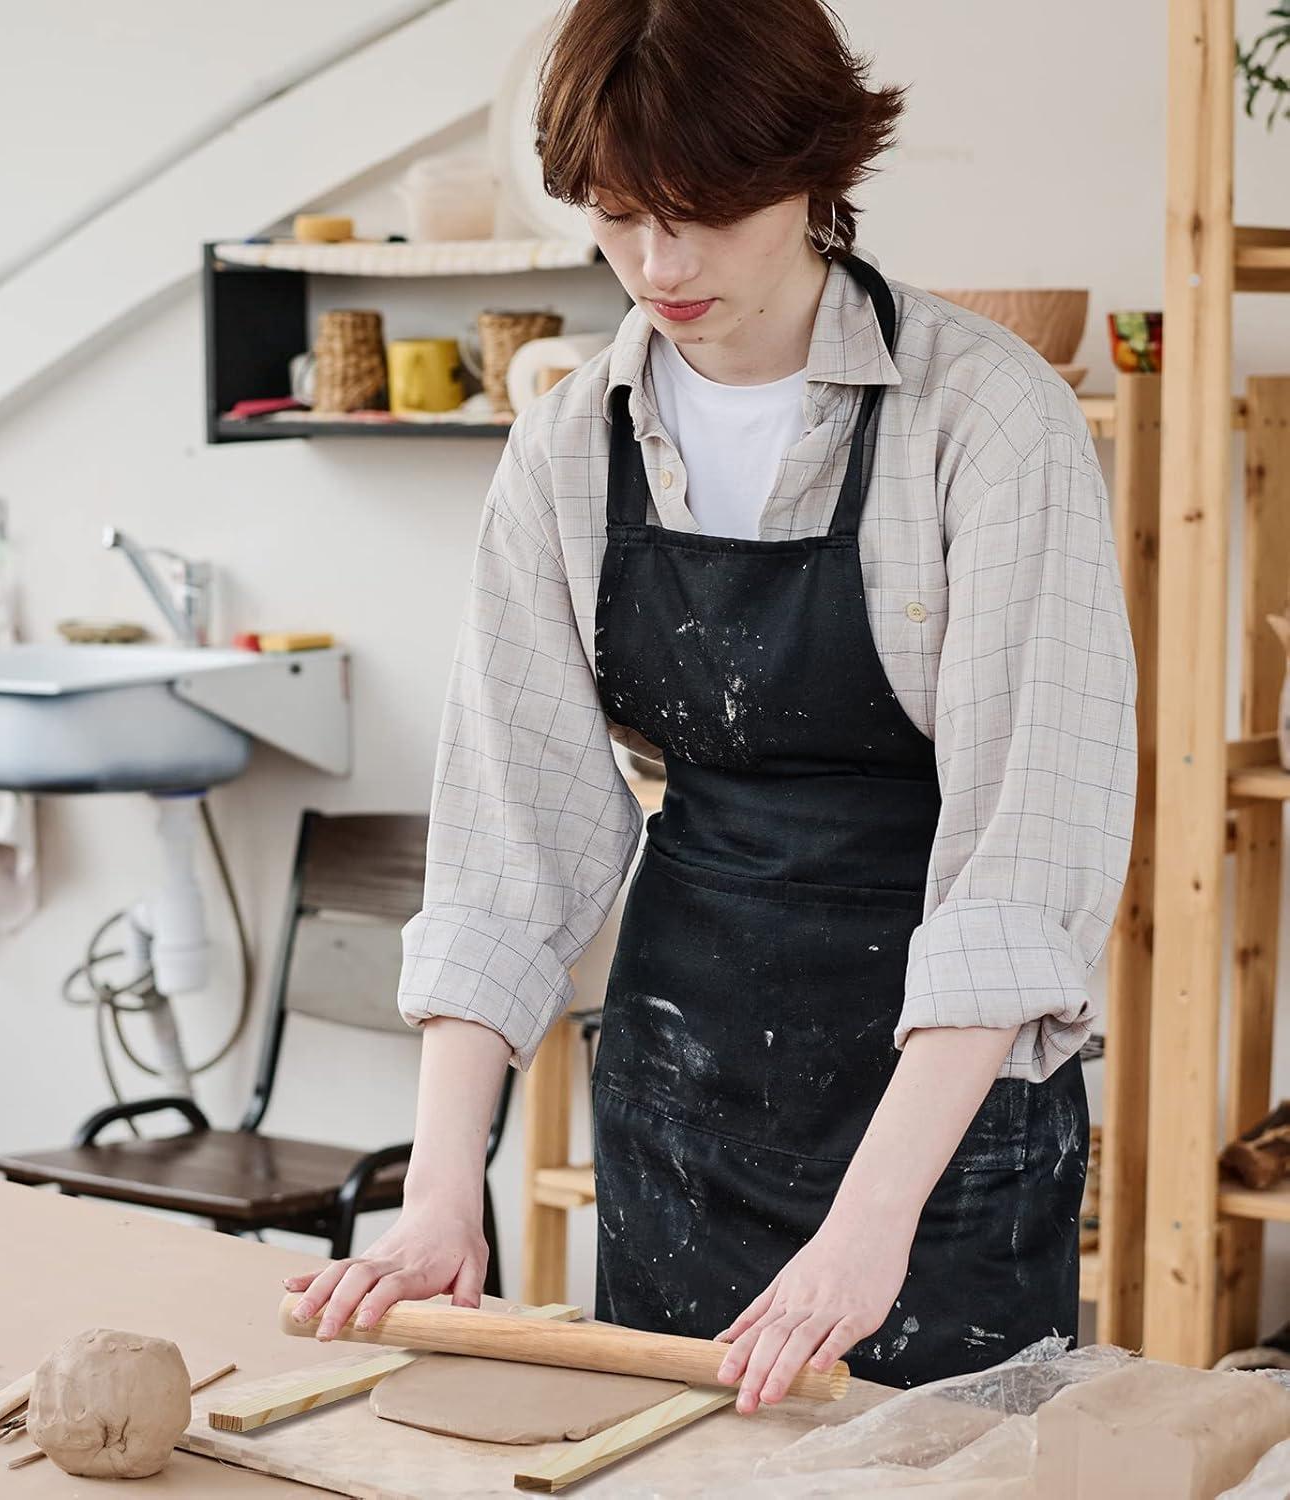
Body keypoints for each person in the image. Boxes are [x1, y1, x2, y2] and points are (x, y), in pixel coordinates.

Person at [285, 0, 1137, 1408]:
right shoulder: (569, 444)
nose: (658, 265)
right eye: (619, 217)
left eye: (706, 213)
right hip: (682, 1099)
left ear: (813, 171)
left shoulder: (983, 421)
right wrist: (443, 1193)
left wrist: (870, 1234)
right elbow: (513, 846)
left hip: (941, 1133)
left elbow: (1018, 871)